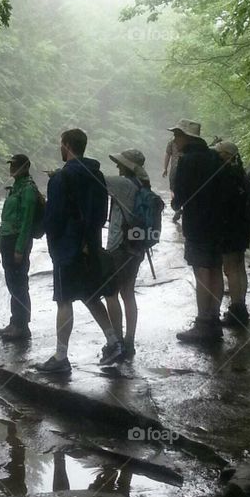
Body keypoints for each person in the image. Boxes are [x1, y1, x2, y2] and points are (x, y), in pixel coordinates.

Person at [40, 127, 122, 373]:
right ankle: (114, 342)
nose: (60, 147)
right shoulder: (97, 175)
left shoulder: (59, 179)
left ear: (66, 145)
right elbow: (100, 215)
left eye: (61, 144)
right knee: (90, 295)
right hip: (91, 246)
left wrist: (51, 237)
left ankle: (61, 358)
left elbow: (53, 218)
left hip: (67, 249)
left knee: (64, 301)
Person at [170, 120, 225, 343]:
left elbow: (180, 196)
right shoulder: (215, 157)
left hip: (197, 223)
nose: (175, 140)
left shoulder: (187, 161)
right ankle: (214, 318)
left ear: (188, 137)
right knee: (215, 267)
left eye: (177, 135)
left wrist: (176, 206)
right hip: (219, 221)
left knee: (201, 270)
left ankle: (203, 323)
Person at [103, 148, 151, 360]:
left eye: (120, 163)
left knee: (111, 294)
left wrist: (59, 173)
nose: (117, 165)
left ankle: (117, 342)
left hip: (120, 247)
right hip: (137, 246)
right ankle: (129, 342)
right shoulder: (141, 185)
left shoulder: (123, 184)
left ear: (128, 166)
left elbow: (93, 177)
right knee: (128, 293)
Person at [0, 153, 38, 340]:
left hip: (17, 241)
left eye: (15, 165)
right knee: (12, 284)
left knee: (19, 284)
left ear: (25, 167)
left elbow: (27, 220)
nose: (11, 169)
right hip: (7, 239)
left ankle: (22, 326)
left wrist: (20, 248)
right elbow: (6, 219)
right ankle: (15, 322)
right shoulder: (15, 188)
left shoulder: (28, 189)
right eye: (11, 165)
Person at [213, 140, 250, 326]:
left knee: (230, 269)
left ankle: (237, 312)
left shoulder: (227, 174)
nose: (216, 157)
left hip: (230, 228)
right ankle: (241, 306)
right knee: (239, 266)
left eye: (219, 154)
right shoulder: (240, 173)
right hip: (242, 227)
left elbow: (223, 203)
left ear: (226, 155)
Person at [162, 137, 182, 225]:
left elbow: (167, 155)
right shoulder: (191, 142)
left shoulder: (172, 142)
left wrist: (165, 168)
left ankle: (177, 208)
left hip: (175, 169)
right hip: (187, 168)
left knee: (173, 189)